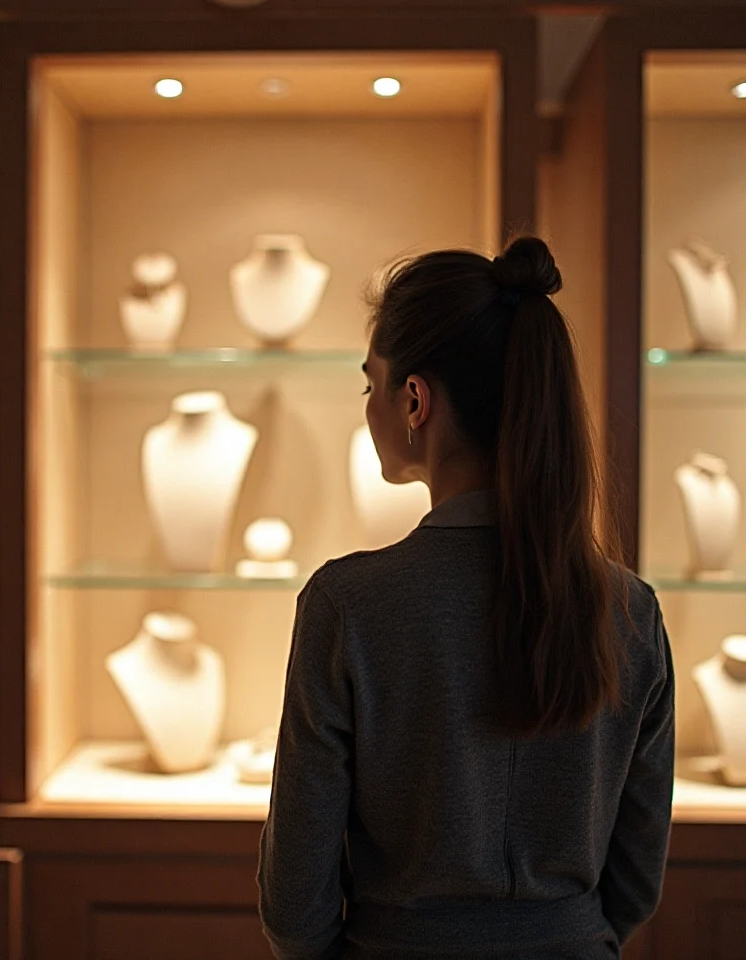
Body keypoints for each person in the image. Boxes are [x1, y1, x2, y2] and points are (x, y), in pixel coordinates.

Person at [257, 237, 675, 960]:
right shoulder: (630, 611)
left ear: (414, 400)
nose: (370, 406)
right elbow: (635, 884)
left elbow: (296, 908)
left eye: (371, 386)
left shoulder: (347, 607)